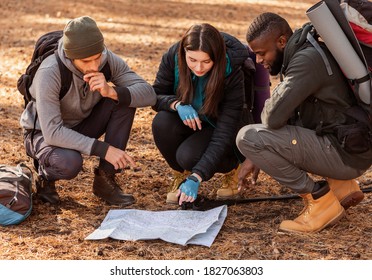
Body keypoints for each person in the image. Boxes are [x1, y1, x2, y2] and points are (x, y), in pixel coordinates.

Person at [236, 12, 372, 233]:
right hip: (350, 145)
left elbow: (271, 117)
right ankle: (341, 185)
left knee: (248, 138)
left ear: (281, 41)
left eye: (261, 53)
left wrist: (255, 151)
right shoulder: (305, 49)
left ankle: (320, 201)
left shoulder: (305, 61)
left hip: (346, 154)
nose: (259, 60)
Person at [20, 16, 156, 206]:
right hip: (43, 134)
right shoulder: (50, 71)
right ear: (70, 56)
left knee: (123, 101)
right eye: (85, 61)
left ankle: (105, 180)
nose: (93, 66)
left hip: (80, 125)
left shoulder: (106, 60)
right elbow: (52, 132)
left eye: (97, 58)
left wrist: (112, 91)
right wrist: (104, 149)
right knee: (69, 163)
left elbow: (149, 94)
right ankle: (45, 175)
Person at [151, 23, 256, 206]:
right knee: (162, 123)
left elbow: (225, 132)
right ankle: (180, 177)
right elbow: (156, 95)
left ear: (217, 57)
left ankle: (232, 169)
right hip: (193, 122)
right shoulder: (173, 57)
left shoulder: (232, 72)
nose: (198, 68)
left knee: (188, 156)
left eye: (206, 61)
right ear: (184, 53)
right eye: (192, 60)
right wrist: (177, 104)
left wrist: (197, 176)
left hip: (223, 130)